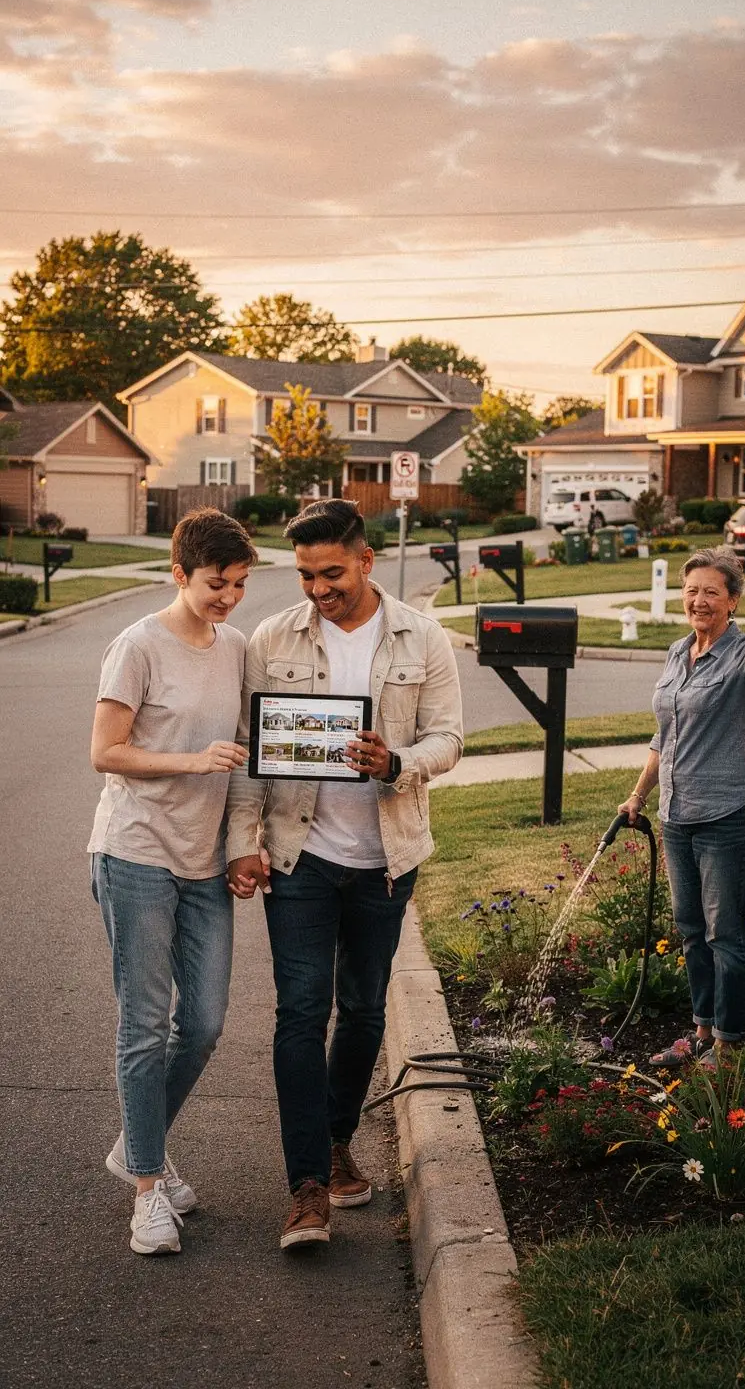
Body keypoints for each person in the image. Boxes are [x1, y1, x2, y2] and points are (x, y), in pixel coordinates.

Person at [226, 498, 463, 1251]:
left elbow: (449, 738)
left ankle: (334, 1140)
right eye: (305, 575)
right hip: (301, 856)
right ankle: (305, 1188)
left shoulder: (421, 636)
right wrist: (242, 840)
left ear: (365, 560)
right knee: (301, 1011)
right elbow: (249, 743)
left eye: (332, 573)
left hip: (386, 860)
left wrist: (398, 763)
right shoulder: (274, 636)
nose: (318, 590)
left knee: (362, 1012)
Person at [89, 508, 257, 1254]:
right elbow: (106, 751)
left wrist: (244, 844)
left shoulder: (238, 649)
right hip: (135, 852)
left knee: (208, 1022)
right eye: (217, 583)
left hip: (205, 858)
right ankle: (149, 1193)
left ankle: (136, 1146)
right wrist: (192, 762)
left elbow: (253, 749)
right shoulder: (138, 645)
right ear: (180, 573)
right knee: (145, 1022)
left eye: (241, 585)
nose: (228, 597)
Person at [619, 522, 745, 1067]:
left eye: (711, 592)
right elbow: (665, 735)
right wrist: (637, 796)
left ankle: (729, 1042)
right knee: (692, 931)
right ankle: (700, 1030)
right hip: (677, 814)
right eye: (691, 590)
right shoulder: (678, 652)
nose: (699, 601)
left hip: (729, 813)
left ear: (732, 600)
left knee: (727, 933)